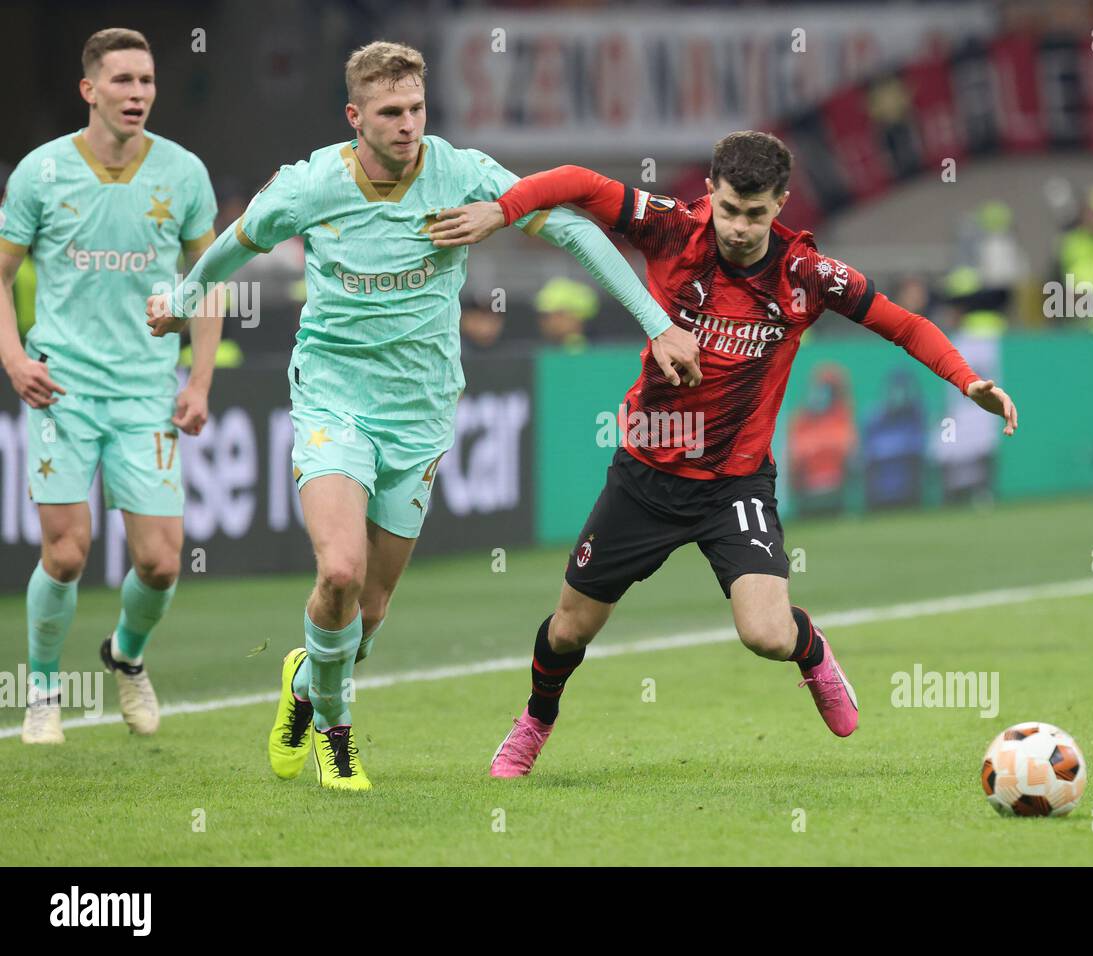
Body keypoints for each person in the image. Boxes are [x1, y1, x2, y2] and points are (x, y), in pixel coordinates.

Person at [145, 41, 700, 790]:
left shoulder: (461, 173)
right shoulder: (310, 186)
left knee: (366, 616)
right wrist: (179, 302)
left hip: (421, 414)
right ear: (355, 118)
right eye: (390, 112)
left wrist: (653, 321)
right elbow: (231, 247)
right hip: (333, 399)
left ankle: (307, 682)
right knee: (338, 571)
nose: (408, 125)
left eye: (416, 108)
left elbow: (568, 227)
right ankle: (338, 740)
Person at [429, 130, 1017, 777]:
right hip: (645, 475)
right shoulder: (671, 232)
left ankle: (811, 650)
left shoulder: (805, 273)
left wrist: (967, 380)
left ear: (781, 204)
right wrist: (501, 209)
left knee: (764, 634)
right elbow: (576, 180)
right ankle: (536, 721)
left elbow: (902, 324)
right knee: (569, 629)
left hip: (735, 486)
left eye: (756, 213)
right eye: (731, 209)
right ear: (710, 192)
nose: (740, 227)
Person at [0, 28, 221, 745]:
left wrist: (199, 380)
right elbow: (0, 274)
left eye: (147, 81)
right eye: (123, 81)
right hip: (61, 384)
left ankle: (125, 655)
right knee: (66, 551)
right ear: (89, 90)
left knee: (160, 560)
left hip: (146, 391)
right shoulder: (41, 172)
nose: (138, 94)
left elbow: (208, 284)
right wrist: (13, 359)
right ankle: (41, 692)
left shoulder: (184, 173)